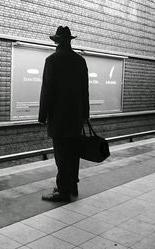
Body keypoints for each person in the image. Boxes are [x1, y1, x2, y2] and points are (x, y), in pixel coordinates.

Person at [38, 26, 89, 202]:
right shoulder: (80, 61)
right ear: (70, 41)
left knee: (61, 155)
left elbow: (47, 90)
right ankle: (72, 186)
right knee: (74, 153)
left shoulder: (52, 60)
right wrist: (85, 114)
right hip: (75, 116)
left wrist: (42, 116)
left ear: (57, 41)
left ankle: (62, 191)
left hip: (58, 117)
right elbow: (85, 90)